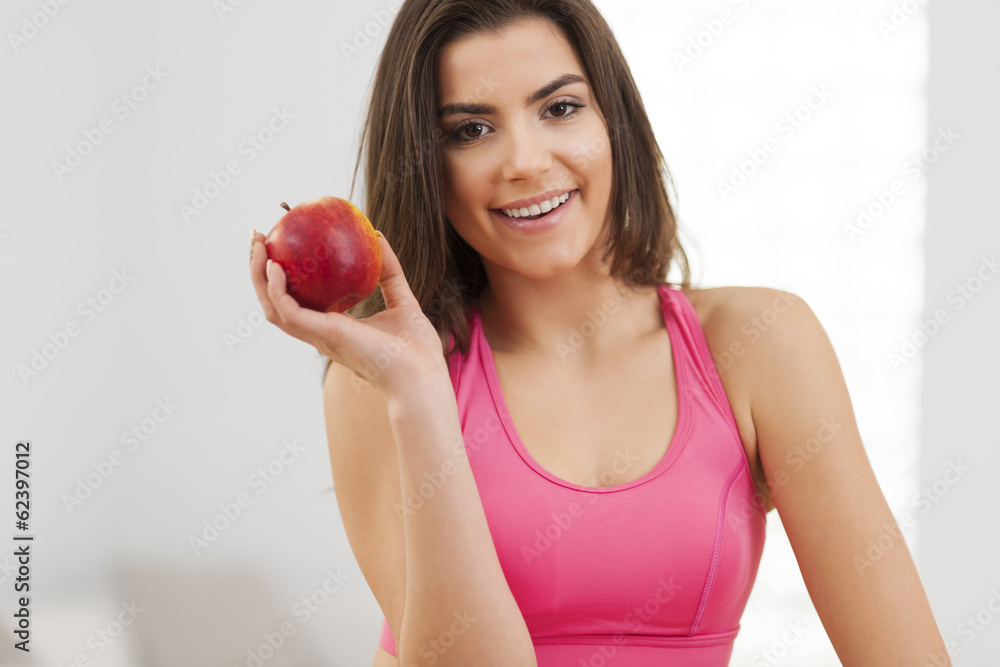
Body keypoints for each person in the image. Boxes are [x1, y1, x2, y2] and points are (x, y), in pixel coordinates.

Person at [249, 1, 952, 665]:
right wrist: (420, 395)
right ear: (427, 165)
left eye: (560, 108)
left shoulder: (761, 344)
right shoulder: (384, 383)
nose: (526, 161)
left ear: (614, 120)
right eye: (470, 130)